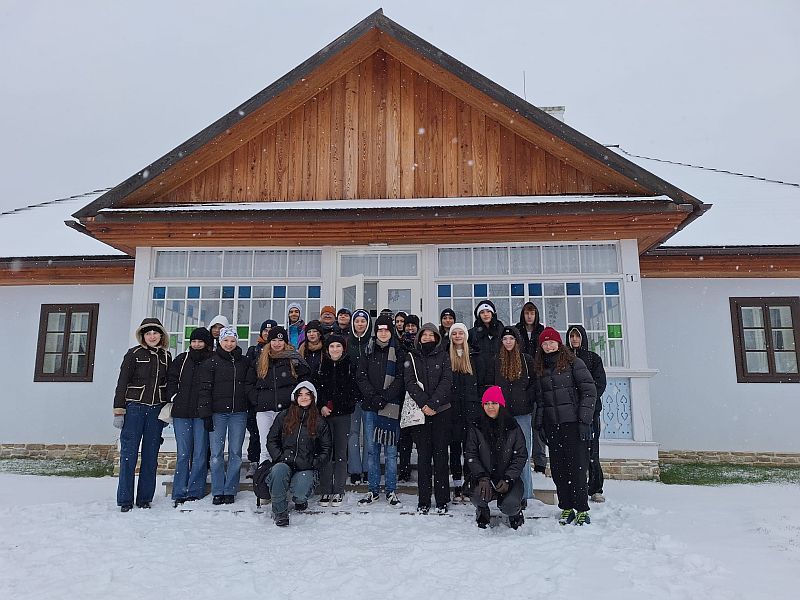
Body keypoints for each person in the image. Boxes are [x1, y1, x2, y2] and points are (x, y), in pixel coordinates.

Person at [534, 327, 597, 526]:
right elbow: (541, 400)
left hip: (573, 424)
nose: (548, 346)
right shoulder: (541, 368)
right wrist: (540, 424)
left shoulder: (573, 363)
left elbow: (589, 391)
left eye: (551, 342)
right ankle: (567, 507)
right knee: (559, 470)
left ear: (559, 343)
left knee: (577, 468)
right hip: (553, 426)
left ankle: (581, 509)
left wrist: (584, 420)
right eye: (545, 343)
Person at [113, 318, 172, 512]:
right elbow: (122, 382)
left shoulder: (166, 356)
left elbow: (168, 385)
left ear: (161, 335)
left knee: (150, 456)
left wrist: (167, 410)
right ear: (143, 336)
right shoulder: (134, 354)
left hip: (155, 411)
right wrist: (119, 410)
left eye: (155, 333)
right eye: (148, 333)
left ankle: (145, 498)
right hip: (135, 409)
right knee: (128, 455)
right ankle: (125, 500)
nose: (152, 336)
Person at [266, 381, 332, 527]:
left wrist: (314, 462)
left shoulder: (319, 422)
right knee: (278, 471)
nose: (304, 398)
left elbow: (326, 449)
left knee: (301, 491)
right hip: (285, 462)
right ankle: (280, 511)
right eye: (300, 395)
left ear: (313, 397)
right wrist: (279, 457)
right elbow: (272, 440)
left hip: (306, 466)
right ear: (295, 397)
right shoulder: (284, 416)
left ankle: (300, 500)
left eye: (307, 394)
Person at [404, 322, 453, 514]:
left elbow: (447, 381)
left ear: (436, 338)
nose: (427, 338)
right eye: (424, 335)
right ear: (419, 338)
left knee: (441, 457)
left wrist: (433, 404)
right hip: (420, 413)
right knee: (423, 458)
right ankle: (423, 500)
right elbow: (410, 382)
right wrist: (424, 404)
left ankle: (442, 500)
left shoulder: (444, 356)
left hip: (441, 412)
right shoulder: (412, 356)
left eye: (431, 335)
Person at [198, 326, 250, 505]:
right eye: (226, 340)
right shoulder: (211, 362)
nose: (229, 344)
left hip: (238, 413)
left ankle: (230, 489)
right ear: (220, 341)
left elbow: (249, 385)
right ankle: (218, 489)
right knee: (216, 453)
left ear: (237, 342)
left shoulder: (244, 362)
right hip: (217, 413)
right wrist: (205, 413)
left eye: (232, 340)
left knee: (235, 452)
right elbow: (204, 389)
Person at [356, 315, 405, 508]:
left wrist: (385, 397)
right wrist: (374, 397)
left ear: (391, 332)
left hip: (391, 407)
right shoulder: (368, 351)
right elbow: (361, 377)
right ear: (375, 332)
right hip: (370, 408)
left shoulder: (399, 352)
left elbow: (401, 378)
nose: (383, 333)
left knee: (391, 453)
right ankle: (373, 490)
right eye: (380, 330)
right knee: (372, 451)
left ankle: (391, 490)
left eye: (386, 330)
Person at [245, 326, 311, 466]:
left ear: (285, 342)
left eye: (280, 340)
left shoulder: (293, 359)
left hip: (287, 410)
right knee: (266, 447)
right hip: (265, 410)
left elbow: (304, 381)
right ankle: (264, 475)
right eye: (274, 340)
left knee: (286, 445)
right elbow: (249, 383)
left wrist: (296, 401)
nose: (277, 343)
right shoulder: (260, 360)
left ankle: (284, 474)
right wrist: (257, 400)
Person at [465, 386, 527, 529]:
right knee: (478, 494)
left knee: (510, 504)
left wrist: (508, 478)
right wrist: (482, 476)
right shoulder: (476, 426)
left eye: (494, 403)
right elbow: (471, 454)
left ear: (501, 404)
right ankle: (482, 511)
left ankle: (515, 513)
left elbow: (520, 455)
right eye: (486, 403)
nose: (490, 407)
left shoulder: (513, 426)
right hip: (484, 477)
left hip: (508, 478)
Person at [486, 325, 536, 503]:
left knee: (523, 454)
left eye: (511, 339)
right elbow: (490, 385)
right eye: (505, 339)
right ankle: (506, 492)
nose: (508, 342)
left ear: (517, 341)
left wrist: (527, 399)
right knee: (503, 455)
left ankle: (525, 493)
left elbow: (534, 384)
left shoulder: (526, 360)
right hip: (502, 415)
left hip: (522, 414)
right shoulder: (496, 361)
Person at [165, 326, 213, 507]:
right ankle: (179, 490)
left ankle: (195, 490)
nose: (197, 344)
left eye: (200, 341)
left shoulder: (212, 360)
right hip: (182, 412)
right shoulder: (182, 359)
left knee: (200, 453)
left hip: (202, 413)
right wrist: (174, 396)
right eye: (194, 341)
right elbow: (171, 379)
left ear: (206, 343)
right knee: (183, 453)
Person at [567, 324, 608, 503]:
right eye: (572, 336)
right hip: (570, 413)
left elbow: (600, 384)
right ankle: (576, 486)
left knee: (592, 451)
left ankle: (595, 488)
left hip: (591, 412)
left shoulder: (593, 358)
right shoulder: (565, 359)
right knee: (574, 452)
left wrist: (586, 400)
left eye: (577, 336)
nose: (575, 339)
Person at [316, 334, 357, 506]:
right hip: (325, 415)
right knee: (326, 452)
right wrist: (322, 406)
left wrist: (341, 405)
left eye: (338, 346)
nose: (335, 349)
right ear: (327, 349)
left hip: (343, 415)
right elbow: (317, 389)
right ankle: (325, 490)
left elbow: (353, 390)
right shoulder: (321, 366)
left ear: (343, 348)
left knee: (340, 453)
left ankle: (339, 490)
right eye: (332, 346)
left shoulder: (350, 365)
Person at [447, 322, 482, 502]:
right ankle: (457, 484)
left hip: (471, 410)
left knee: (470, 450)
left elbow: (481, 383)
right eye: (454, 334)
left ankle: (469, 484)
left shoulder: (475, 357)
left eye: (460, 333)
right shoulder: (446, 357)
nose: (458, 336)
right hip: (452, 410)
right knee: (454, 449)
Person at [515, 302, 549, 476]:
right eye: (527, 313)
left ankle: (540, 462)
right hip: (520, 382)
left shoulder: (542, 331)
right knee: (521, 425)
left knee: (538, 423)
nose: (529, 316)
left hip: (539, 380)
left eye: (532, 313)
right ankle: (521, 459)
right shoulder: (517, 331)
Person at [244, 319, 278, 477]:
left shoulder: (280, 351)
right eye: (265, 330)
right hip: (258, 400)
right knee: (256, 433)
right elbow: (249, 376)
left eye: (270, 331)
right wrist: (254, 398)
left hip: (274, 400)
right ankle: (254, 461)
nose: (267, 333)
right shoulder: (254, 350)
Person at [347, 309, 371, 484]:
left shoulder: (373, 342)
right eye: (357, 321)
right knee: (353, 433)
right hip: (353, 396)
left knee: (369, 434)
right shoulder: (348, 343)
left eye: (363, 321)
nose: (360, 324)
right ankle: (355, 469)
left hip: (369, 396)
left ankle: (368, 468)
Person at [397, 314, 420, 479]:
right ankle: (404, 468)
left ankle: (422, 466)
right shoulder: (399, 344)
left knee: (419, 434)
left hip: (418, 394)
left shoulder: (420, 344)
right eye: (408, 325)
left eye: (413, 326)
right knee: (404, 435)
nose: (410, 328)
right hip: (402, 393)